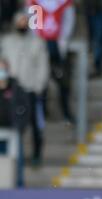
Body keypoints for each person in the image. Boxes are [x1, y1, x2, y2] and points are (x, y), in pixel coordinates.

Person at [1, 12, 50, 166]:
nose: (22, 24)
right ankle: (12, 156)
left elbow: (43, 66)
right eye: (19, 21)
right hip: (10, 90)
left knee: (35, 123)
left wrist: (38, 86)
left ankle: (36, 153)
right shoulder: (6, 41)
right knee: (11, 124)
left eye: (24, 21)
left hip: (29, 89)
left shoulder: (37, 42)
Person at [27, 0, 76, 124]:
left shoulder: (64, 3)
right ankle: (42, 113)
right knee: (41, 82)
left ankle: (65, 112)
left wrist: (63, 40)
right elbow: (32, 22)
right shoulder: (35, 2)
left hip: (57, 45)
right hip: (41, 45)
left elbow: (68, 21)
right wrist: (37, 43)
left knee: (62, 81)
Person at [0, 58, 31, 187]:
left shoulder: (16, 88)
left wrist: (20, 126)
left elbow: (25, 109)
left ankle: (18, 189)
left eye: (2, 69)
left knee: (17, 162)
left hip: (12, 131)